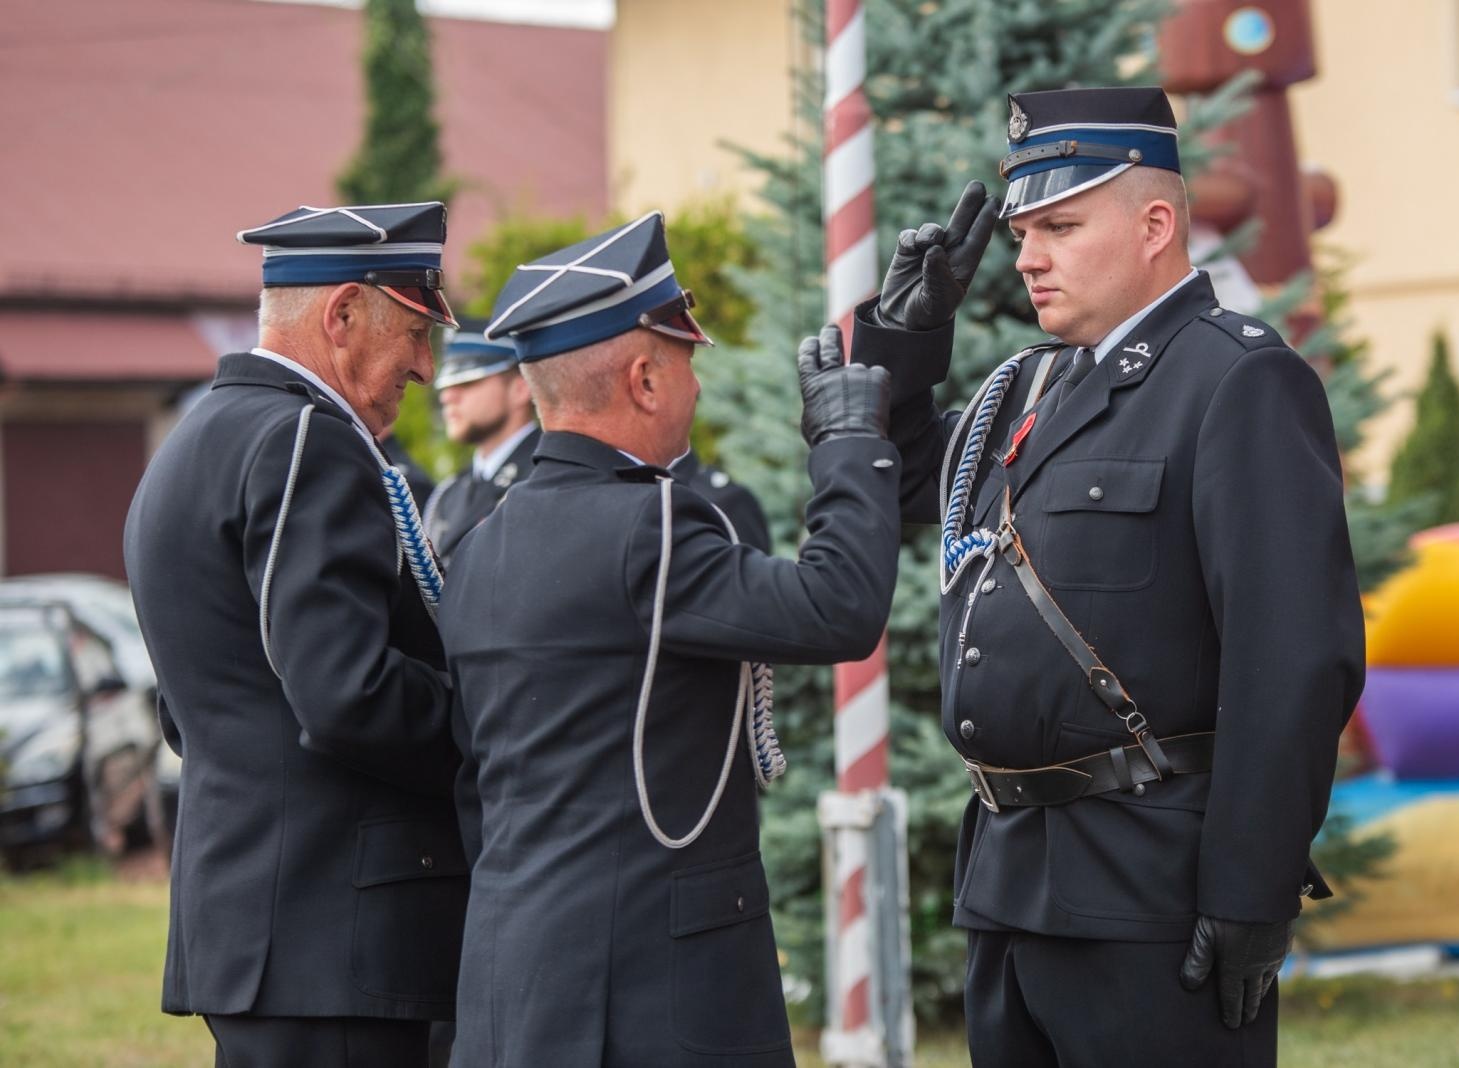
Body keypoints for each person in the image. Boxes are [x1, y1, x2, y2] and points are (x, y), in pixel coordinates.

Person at [850, 87, 1366, 1066]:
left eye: (1060, 224)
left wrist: (1250, 889)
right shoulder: (1037, 384)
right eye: (1021, 230)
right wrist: (903, 337)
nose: (1026, 256)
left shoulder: (1235, 380)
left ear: (1156, 225)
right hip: (1010, 877)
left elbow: (1291, 660)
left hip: (1151, 893)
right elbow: (902, 482)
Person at [438, 211, 900, 1067]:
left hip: (515, 978)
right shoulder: (649, 522)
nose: (697, 386)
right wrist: (847, 442)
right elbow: (840, 606)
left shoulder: (478, 544)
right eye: (688, 362)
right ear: (645, 378)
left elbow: (473, 778)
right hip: (656, 989)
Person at [124, 202, 468, 1068]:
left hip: (260, 927)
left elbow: (191, 704)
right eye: (416, 332)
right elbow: (345, 692)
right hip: (336, 931)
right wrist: (490, 724)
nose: (425, 369)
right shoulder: (310, 440)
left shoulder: (195, 437)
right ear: (343, 314)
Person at [424, 319, 539, 569]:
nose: (447, 396)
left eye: (467, 382)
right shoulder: (447, 495)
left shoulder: (545, 475)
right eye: (446, 385)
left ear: (521, 388)